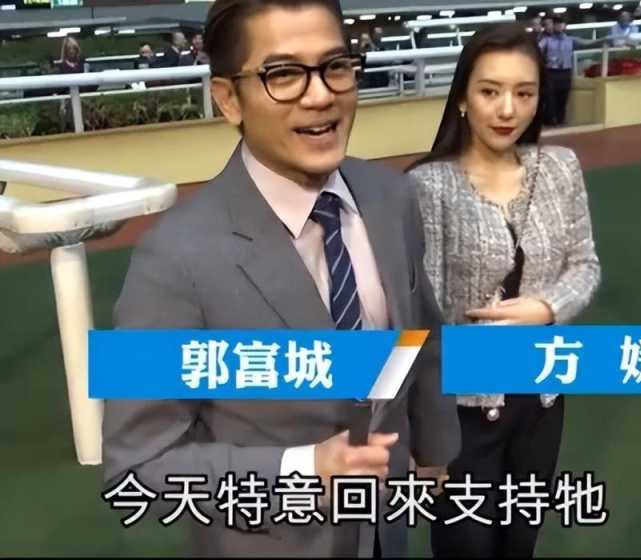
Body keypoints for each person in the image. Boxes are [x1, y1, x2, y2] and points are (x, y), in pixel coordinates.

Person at [101, 0, 460, 557]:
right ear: (228, 99)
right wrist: (304, 470)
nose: (320, 96)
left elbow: (422, 335)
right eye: (284, 74)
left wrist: (435, 450)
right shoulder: (171, 258)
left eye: (335, 66)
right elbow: (137, 464)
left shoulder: (391, 197)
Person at [407, 21, 601, 558]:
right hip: (461, 413)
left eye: (524, 93)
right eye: (490, 91)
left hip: (541, 399)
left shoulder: (559, 168)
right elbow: (422, 318)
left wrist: (546, 308)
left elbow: (585, 265)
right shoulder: (428, 186)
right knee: (466, 544)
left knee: (520, 540)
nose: (507, 109)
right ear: (463, 98)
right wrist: (425, 438)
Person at [538, 16, 603, 126]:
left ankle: (560, 120)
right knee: (550, 98)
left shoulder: (571, 40)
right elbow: (536, 49)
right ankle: (551, 121)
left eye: (561, 24)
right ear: (553, 26)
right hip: (551, 72)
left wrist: (605, 40)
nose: (558, 26)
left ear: (565, 26)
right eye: (556, 24)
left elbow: (588, 43)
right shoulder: (546, 40)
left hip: (565, 72)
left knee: (563, 97)